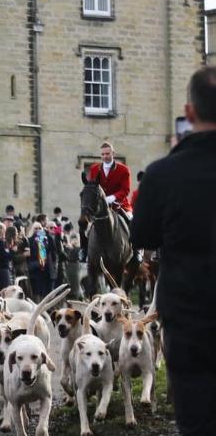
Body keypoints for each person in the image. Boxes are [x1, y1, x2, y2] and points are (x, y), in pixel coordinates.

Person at [130, 66, 216, 436]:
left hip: (190, 317)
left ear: (190, 112)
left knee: (196, 421)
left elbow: (141, 235)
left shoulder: (163, 173)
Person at [80, 141, 133, 261]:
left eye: (107, 154)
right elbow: (93, 187)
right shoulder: (94, 169)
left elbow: (125, 190)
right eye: (103, 154)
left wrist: (111, 198)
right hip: (99, 206)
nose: (105, 156)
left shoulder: (123, 169)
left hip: (119, 204)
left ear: (113, 153)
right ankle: (83, 250)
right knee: (83, 222)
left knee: (131, 221)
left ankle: (137, 250)